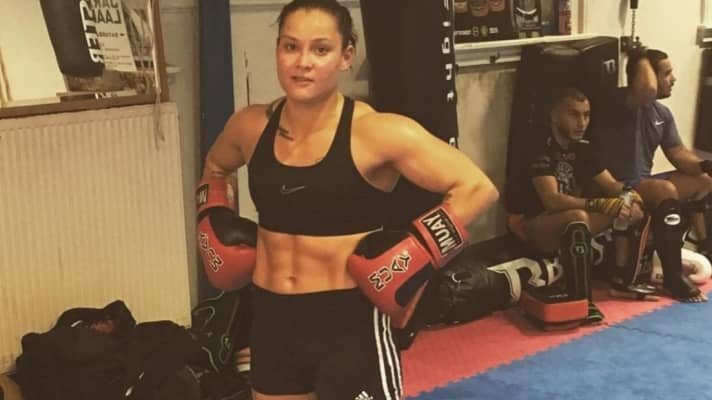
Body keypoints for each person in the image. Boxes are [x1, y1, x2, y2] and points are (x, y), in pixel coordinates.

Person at [196, 1, 499, 399]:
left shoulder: (377, 133)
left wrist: (418, 251)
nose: (303, 62)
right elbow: (216, 166)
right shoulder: (250, 127)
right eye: (290, 46)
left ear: (346, 56)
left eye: (320, 49)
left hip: (349, 325)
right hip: (272, 319)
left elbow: (477, 187)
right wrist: (212, 221)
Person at [507, 87, 650, 325]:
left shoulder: (583, 147)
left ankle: (622, 280)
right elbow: (551, 200)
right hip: (533, 225)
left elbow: (611, 185)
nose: (582, 122)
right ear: (554, 116)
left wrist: (629, 195)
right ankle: (582, 298)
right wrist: (600, 204)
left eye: (586, 115)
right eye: (574, 114)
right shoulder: (538, 146)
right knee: (579, 217)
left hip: (572, 222)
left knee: (629, 208)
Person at [588, 46, 710, 302]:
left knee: (702, 181)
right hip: (614, 186)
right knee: (664, 190)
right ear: (648, 78)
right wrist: (640, 55)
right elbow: (646, 89)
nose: (673, 79)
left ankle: (704, 246)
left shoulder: (661, 114)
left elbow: (678, 154)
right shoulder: (623, 104)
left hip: (642, 184)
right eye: (666, 73)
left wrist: (706, 165)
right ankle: (673, 276)